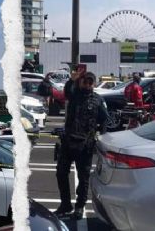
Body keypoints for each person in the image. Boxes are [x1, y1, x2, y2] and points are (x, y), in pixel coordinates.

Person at [55, 70, 108, 220]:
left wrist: (101, 137)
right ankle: (65, 204)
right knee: (61, 173)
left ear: (94, 83)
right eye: (85, 81)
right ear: (81, 82)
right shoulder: (74, 95)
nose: (87, 84)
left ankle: (79, 206)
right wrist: (72, 80)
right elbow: (67, 91)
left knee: (83, 177)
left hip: (85, 145)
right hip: (68, 142)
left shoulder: (98, 100)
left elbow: (104, 120)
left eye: (90, 82)